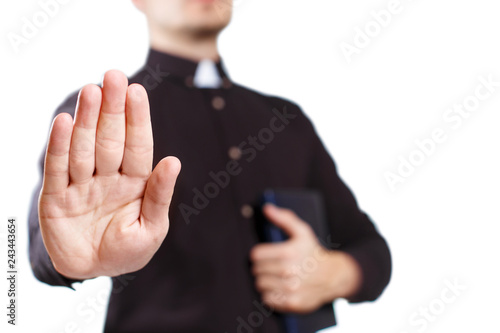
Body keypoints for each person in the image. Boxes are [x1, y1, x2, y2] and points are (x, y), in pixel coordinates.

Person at [28, 1, 392, 332]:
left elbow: (371, 247)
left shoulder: (286, 120)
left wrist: (335, 274)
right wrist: (69, 255)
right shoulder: (105, 114)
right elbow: (41, 246)